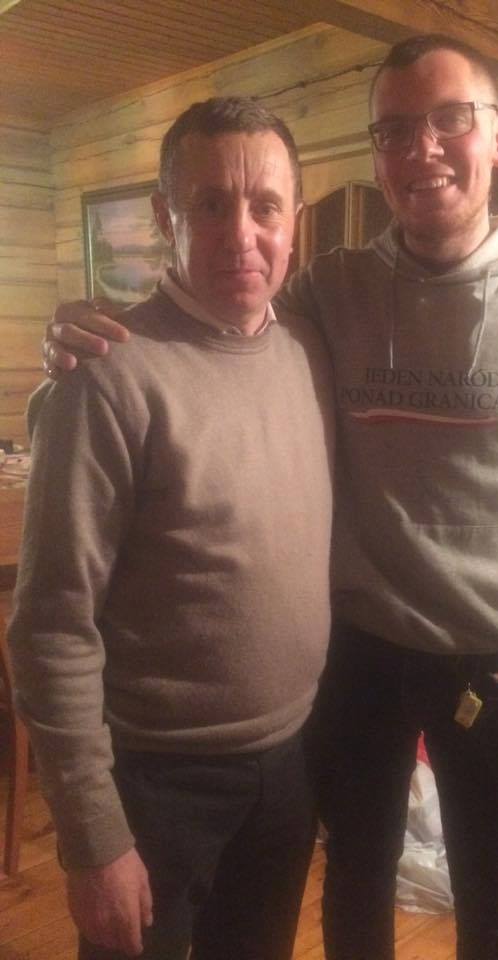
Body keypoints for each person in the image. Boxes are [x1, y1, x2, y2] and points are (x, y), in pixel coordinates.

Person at [42, 33, 498, 960]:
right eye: (396, 130)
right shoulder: (332, 293)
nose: (423, 148)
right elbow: (204, 333)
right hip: (358, 655)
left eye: (450, 120)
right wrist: (77, 340)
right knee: (356, 885)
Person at [9, 97, 335, 960]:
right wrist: (92, 837)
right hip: (154, 783)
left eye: (265, 206)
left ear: (295, 220)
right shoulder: (104, 377)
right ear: (166, 217)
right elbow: (50, 627)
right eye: (211, 205)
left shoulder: (310, 353)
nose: (242, 234)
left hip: (288, 764)